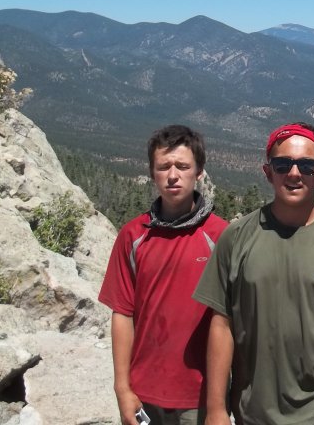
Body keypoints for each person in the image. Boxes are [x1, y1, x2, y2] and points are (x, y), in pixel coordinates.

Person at [193, 122, 314, 425]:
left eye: (307, 166)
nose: (294, 173)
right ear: (268, 172)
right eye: (283, 164)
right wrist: (216, 410)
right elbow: (222, 324)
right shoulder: (236, 237)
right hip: (257, 409)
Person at [99, 125, 229, 425]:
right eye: (163, 167)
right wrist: (122, 388)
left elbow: (230, 321)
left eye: (182, 166)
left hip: (200, 396)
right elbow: (123, 314)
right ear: (152, 172)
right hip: (143, 391)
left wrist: (219, 406)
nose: (173, 175)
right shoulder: (133, 235)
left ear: (199, 172)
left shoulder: (220, 236)